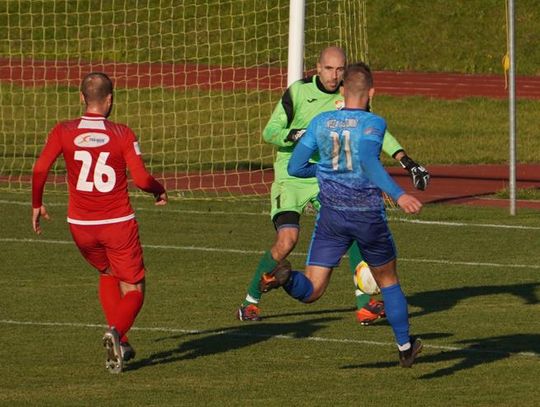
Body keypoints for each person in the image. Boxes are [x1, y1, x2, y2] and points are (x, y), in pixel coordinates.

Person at [236, 46, 429, 324]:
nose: (334, 75)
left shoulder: (347, 98)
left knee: (350, 225)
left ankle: (365, 303)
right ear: (317, 67)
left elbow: (375, 131)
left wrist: (404, 159)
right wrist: (298, 135)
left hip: (322, 178)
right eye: (328, 69)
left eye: (340, 70)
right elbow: (270, 132)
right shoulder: (298, 92)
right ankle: (250, 301)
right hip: (291, 177)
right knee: (287, 241)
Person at [264, 61, 423, 367]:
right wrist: (400, 194)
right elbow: (367, 160)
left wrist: (324, 170)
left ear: (342, 90)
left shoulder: (322, 122)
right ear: (371, 92)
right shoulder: (374, 123)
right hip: (366, 214)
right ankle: (405, 347)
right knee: (388, 279)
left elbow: (296, 167)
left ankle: (287, 279)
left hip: (331, 217)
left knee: (311, 289)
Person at [31, 72, 168, 374]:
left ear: (81, 98)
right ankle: (116, 332)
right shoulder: (122, 133)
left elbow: (40, 168)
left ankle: (123, 341)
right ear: (109, 100)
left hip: (80, 226)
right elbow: (143, 179)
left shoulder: (63, 130)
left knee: (107, 272)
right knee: (134, 289)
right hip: (117, 224)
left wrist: (37, 204)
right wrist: (159, 190)